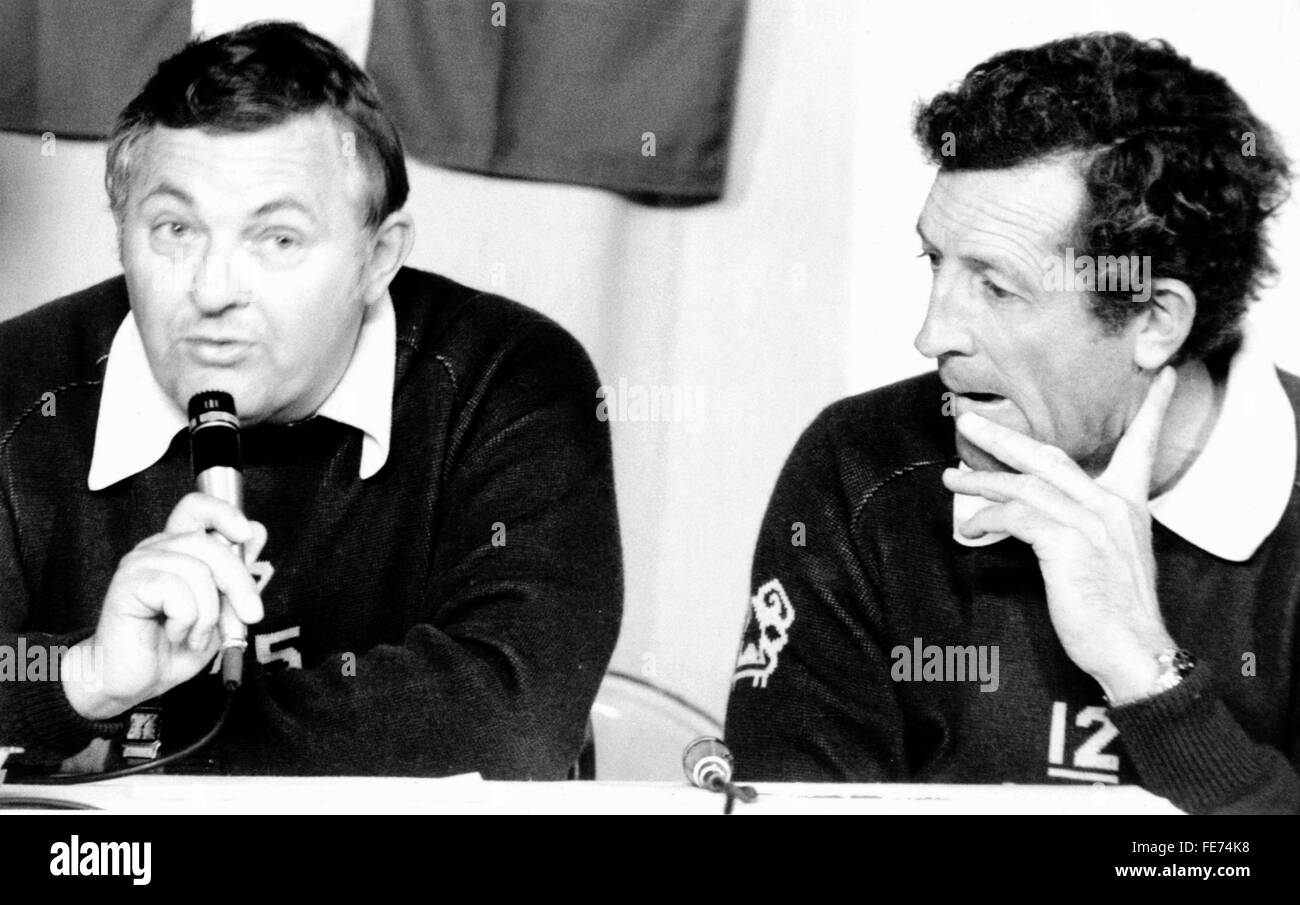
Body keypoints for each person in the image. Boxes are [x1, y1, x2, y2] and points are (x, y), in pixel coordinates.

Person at [0, 22, 622, 779]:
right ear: (121, 234)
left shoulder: (513, 381)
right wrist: (89, 673)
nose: (214, 290)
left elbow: (506, 721)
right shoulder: (16, 383)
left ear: (378, 258)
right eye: (174, 229)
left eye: (279, 240)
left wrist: (145, 738)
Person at [724, 32, 1298, 814]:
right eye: (937, 263)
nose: (932, 336)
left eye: (996, 287)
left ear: (1155, 318)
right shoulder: (863, 461)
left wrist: (1144, 668)